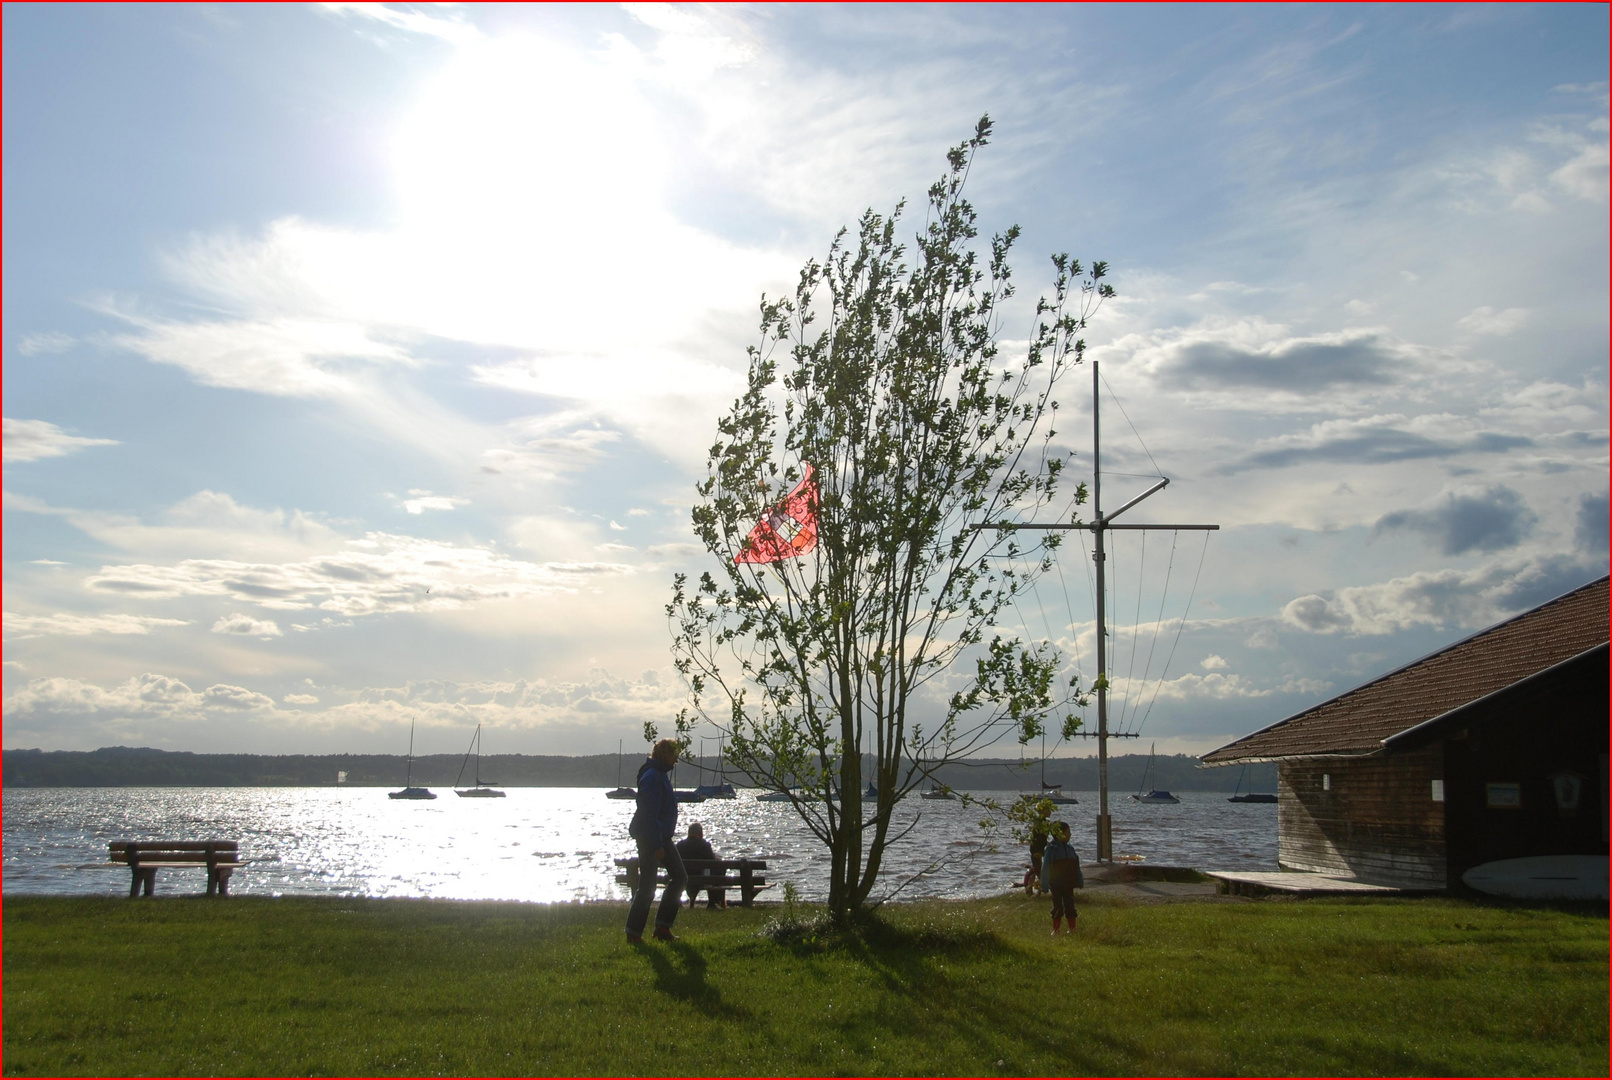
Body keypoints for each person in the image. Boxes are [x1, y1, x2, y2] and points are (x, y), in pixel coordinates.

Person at [625, 739, 687, 944]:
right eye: (674, 754)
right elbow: (648, 814)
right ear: (664, 754)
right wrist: (657, 844)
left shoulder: (660, 775)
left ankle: (662, 927)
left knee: (679, 877)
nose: (676, 758)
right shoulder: (652, 776)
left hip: (662, 836)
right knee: (648, 886)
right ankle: (633, 933)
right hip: (651, 837)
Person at [1041, 820, 1083, 935]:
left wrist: (1079, 880)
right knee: (1057, 906)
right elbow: (1045, 868)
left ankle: (1072, 929)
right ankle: (1056, 930)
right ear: (1060, 834)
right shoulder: (1051, 849)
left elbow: (1076, 866)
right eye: (1068, 832)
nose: (1070, 834)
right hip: (1056, 884)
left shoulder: (1070, 849)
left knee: (1070, 905)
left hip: (1069, 883)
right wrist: (1044, 885)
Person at [676, 823, 724, 909]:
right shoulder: (705, 845)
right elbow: (713, 862)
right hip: (701, 879)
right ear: (700, 833)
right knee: (717, 869)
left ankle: (677, 901)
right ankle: (713, 902)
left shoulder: (680, 845)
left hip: (683, 878)